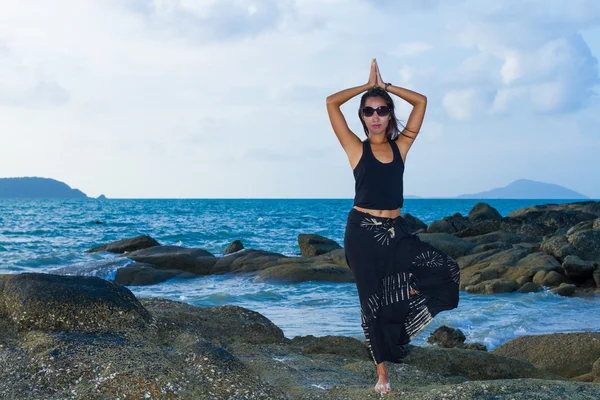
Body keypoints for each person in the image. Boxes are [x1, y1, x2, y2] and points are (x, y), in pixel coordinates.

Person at [326, 59, 460, 394]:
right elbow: (330, 102)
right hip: (362, 233)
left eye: (382, 110)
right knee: (370, 302)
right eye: (369, 111)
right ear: (361, 116)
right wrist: (365, 85)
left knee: (445, 269)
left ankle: (397, 309)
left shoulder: (402, 146)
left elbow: (422, 102)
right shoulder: (356, 148)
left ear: (390, 114)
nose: (375, 116)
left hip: (396, 231)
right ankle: (382, 374)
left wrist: (386, 87)